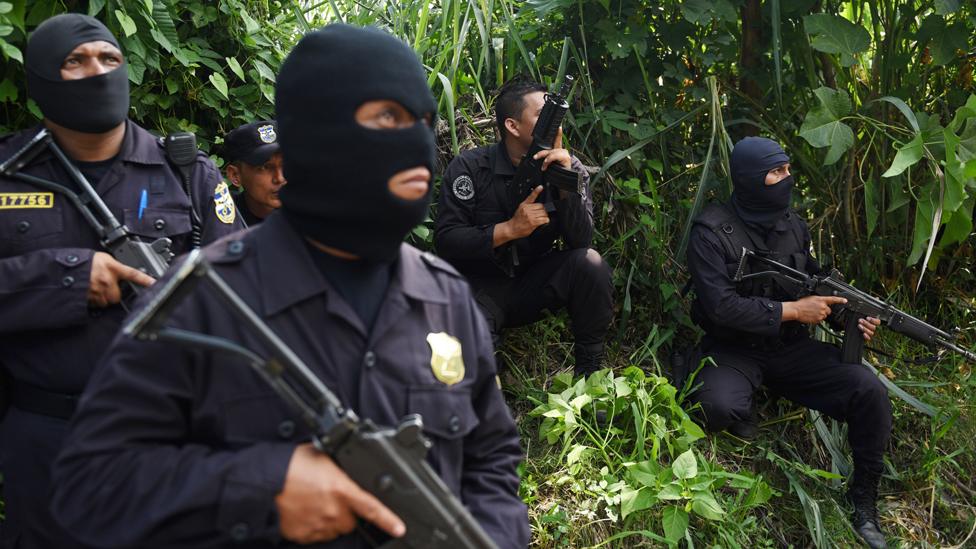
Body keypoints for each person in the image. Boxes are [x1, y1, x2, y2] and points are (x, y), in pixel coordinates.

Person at [51, 24, 529, 548]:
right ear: (315, 137)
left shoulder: (445, 296)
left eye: (424, 121)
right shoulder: (205, 299)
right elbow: (89, 484)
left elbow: (491, 459)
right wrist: (262, 487)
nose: (417, 142)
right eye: (387, 117)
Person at [0, 14, 243, 548]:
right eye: (75, 61)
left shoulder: (187, 172)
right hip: (47, 438)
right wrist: (62, 279)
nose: (98, 71)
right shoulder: (7, 174)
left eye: (109, 58)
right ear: (41, 79)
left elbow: (250, 289)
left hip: (169, 434)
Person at [684, 136, 890, 549]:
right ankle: (737, 396)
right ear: (748, 179)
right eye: (775, 172)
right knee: (716, 406)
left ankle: (864, 498)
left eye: (787, 170)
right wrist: (795, 311)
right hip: (733, 348)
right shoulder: (711, 232)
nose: (786, 179)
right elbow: (721, 307)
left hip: (791, 350)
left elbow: (814, 284)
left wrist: (850, 315)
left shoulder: (794, 225)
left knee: (870, 391)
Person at [434, 78, 613, 375]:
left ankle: (590, 376)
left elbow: (582, 241)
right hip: (476, 288)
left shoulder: (569, 168)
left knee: (590, 264)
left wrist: (564, 183)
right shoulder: (470, 168)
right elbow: (447, 240)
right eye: (541, 116)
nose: (553, 125)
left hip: (532, 283)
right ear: (512, 126)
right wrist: (508, 229)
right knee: (476, 368)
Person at [223, 120, 286, 226]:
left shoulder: (310, 216)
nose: (280, 178)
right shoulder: (221, 221)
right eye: (265, 167)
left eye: (285, 165)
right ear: (235, 175)